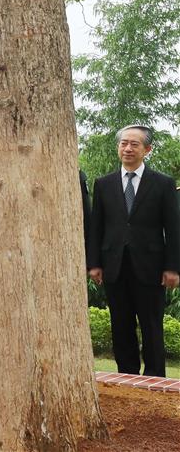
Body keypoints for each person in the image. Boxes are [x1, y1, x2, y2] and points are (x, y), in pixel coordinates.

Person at [88, 125, 179, 377]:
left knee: (151, 327)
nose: (127, 148)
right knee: (120, 326)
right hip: (114, 267)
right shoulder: (104, 184)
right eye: (123, 143)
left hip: (151, 268)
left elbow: (173, 229)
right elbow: (97, 227)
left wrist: (173, 267)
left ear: (147, 150)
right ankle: (126, 377)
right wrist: (94, 263)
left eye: (134, 144)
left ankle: (155, 380)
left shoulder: (163, 184)